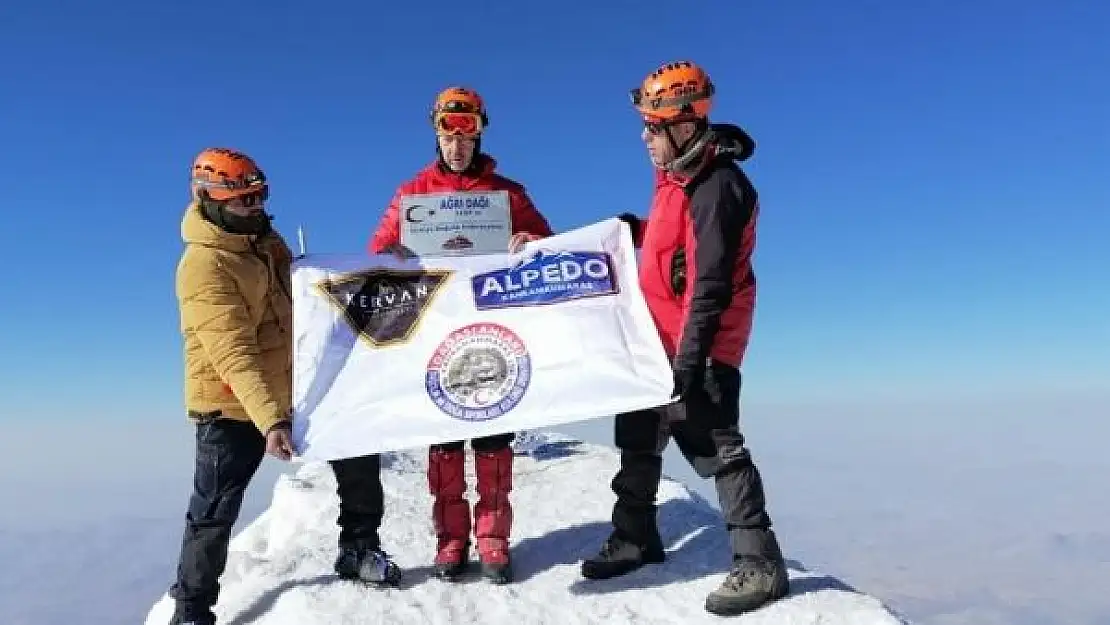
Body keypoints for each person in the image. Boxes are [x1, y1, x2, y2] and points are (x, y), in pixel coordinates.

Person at [579, 61, 790, 616]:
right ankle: (636, 539)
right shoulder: (677, 178)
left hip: (701, 345)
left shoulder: (718, 188)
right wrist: (635, 231)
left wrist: (690, 364)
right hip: (660, 338)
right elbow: (673, 248)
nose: (643, 137)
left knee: (717, 446)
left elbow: (710, 286)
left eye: (652, 126)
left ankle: (761, 565)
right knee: (639, 437)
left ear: (685, 124)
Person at [169, 148, 398, 625]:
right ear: (209, 198)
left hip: (291, 388)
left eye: (260, 195)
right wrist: (270, 417)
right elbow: (232, 352)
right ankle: (191, 610)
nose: (255, 206)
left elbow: (307, 302)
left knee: (358, 451)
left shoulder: (267, 244)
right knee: (214, 510)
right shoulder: (204, 265)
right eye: (244, 198)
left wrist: (380, 268)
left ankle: (359, 549)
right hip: (232, 405)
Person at [367, 86, 553, 584]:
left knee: (493, 434)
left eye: (466, 131)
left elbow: (547, 245)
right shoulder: (412, 194)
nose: (456, 143)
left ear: (480, 132)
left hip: (493, 332)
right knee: (445, 440)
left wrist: (528, 241)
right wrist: (394, 256)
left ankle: (493, 540)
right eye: (448, 132)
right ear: (436, 132)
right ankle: (451, 540)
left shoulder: (508, 195)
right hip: (437, 334)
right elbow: (377, 249)